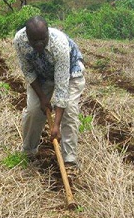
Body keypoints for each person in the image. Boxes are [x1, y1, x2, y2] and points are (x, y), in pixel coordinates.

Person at [13, 16, 86, 170]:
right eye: (35, 41)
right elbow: (28, 71)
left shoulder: (59, 45)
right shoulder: (19, 41)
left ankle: (69, 160)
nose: (39, 44)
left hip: (70, 73)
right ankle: (28, 152)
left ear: (47, 33)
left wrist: (56, 125)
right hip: (41, 74)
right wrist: (42, 97)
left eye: (43, 39)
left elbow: (62, 86)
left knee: (70, 111)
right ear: (28, 37)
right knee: (34, 111)